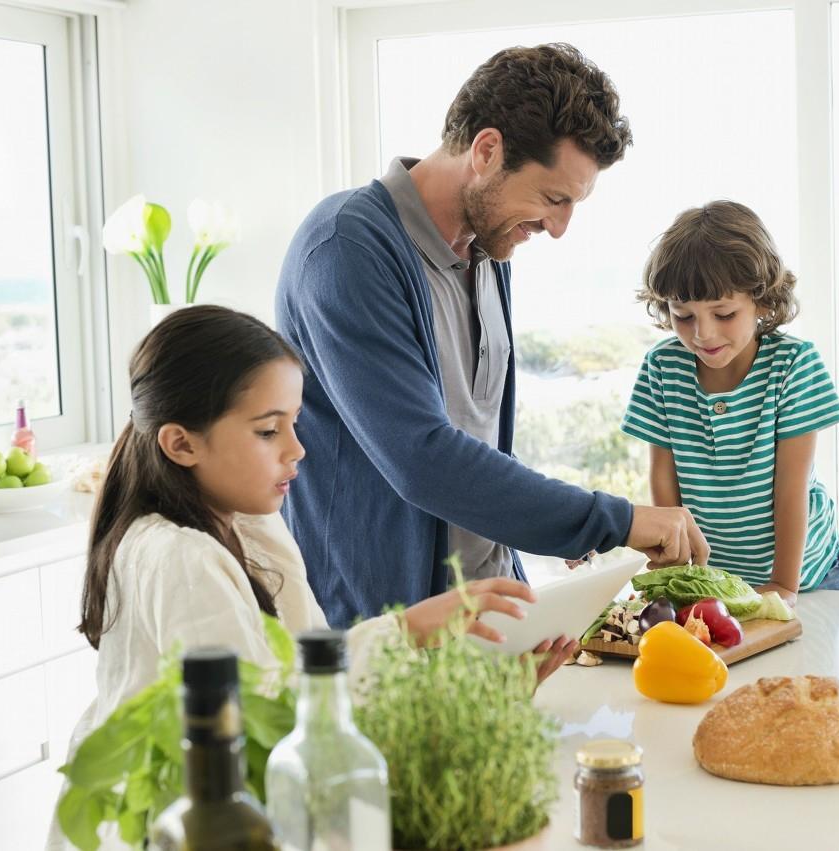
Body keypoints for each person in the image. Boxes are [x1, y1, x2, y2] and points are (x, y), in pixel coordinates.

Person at [46, 306, 575, 850]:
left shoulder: (245, 528)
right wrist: (406, 632)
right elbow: (266, 721)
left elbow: (298, 680)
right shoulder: (180, 556)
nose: (297, 448)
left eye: (295, 423)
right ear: (181, 444)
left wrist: (474, 695)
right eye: (269, 430)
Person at [276, 43, 708, 628]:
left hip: (486, 621)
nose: (557, 228)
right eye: (554, 199)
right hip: (384, 634)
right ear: (486, 150)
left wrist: (527, 598)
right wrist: (617, 520)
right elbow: (423, 458)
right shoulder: (347, 249)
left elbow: (482, 445)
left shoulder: (490, 249)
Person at [621, 201, 839, 607]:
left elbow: (792, 488)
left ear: (761, 301)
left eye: (723, 313)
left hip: (809, 576)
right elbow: (664, 478)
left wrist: (784, 584)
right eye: (683, 315)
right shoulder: (661, 367)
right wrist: (676, 571)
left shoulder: (793, 365)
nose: (702, 334)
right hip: (718, 581)